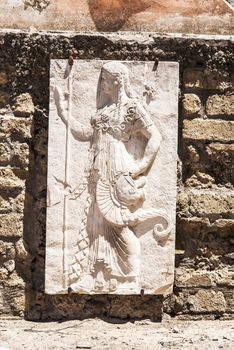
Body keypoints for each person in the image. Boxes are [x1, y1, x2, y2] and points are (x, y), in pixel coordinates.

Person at [54, 61, 166, 294]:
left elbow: (155, 136)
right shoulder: (103, 111)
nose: (102, 83)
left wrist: (142, 165)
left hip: (118, 169)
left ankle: (132, 278)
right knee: (96, 226)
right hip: (98, 171)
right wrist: (63, 112)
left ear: (117, 80)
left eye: (105, 79)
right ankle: (95, 275)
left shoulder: (132, 108)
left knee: (120, 223)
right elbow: (85, 134)